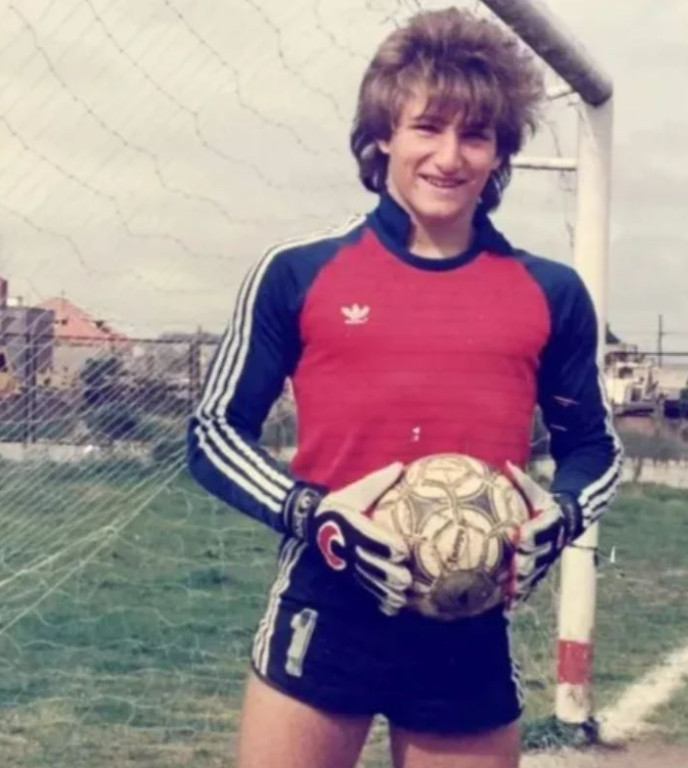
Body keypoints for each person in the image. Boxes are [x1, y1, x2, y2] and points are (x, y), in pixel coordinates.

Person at [187, 8, 622, 768]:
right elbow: (213, 432)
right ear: (384, 131)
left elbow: (594, 448)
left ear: (500, 153)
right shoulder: (299, 272)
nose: (449, 156)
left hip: (468, 623)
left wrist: (566, 513)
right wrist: (313, 513)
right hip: (327, 607)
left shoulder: (549, 292)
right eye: (428, 127)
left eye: (476, 135)